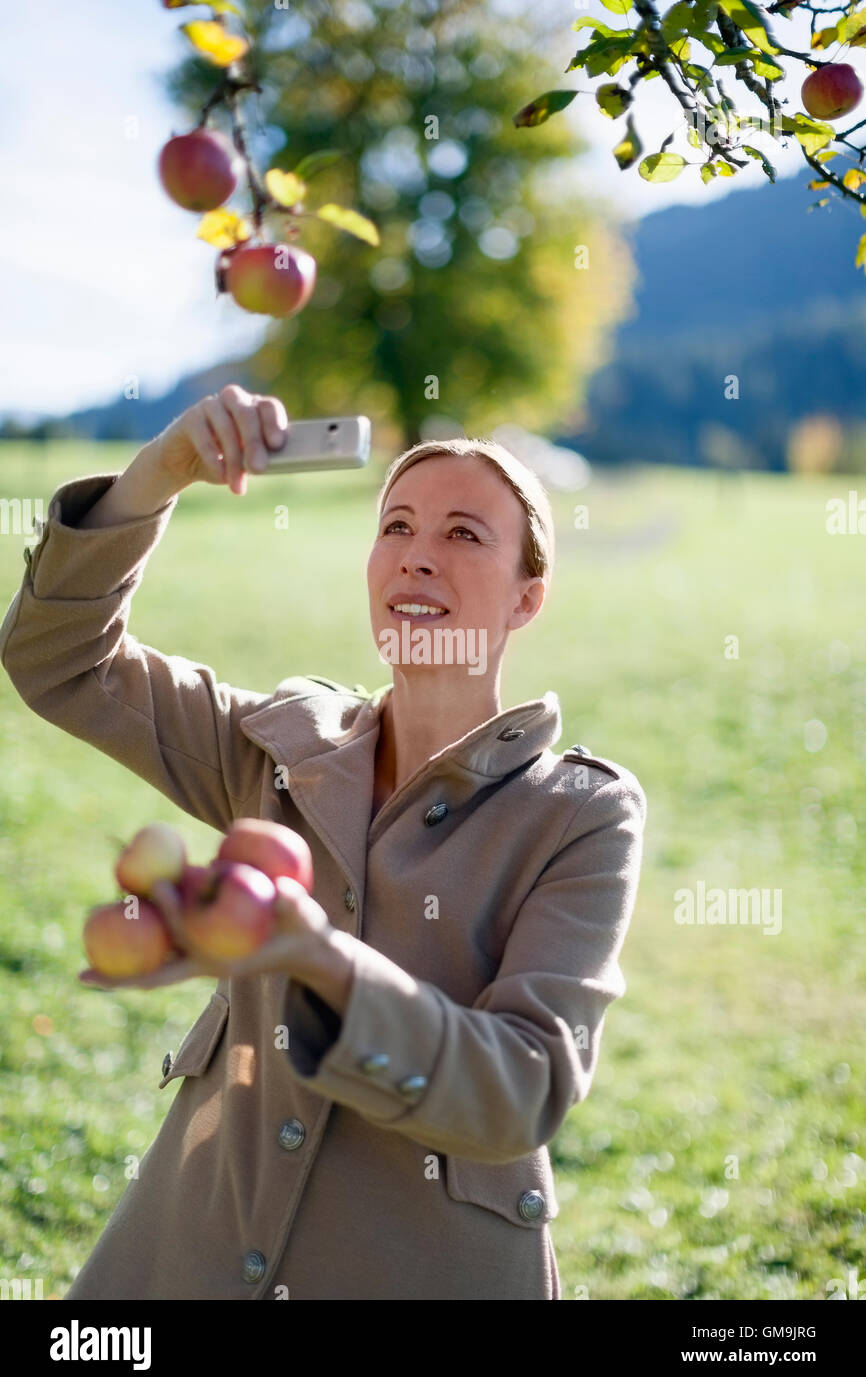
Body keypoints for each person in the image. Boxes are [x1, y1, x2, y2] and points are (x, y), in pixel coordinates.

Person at [0, 384, 647, 1300]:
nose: (417, 558)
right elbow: (59, 659)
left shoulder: (579, 814)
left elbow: (522, 1088)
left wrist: (317, 958)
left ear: (527, 598)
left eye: (464, 535)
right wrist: (161, 474)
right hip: (190, 1261)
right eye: (396, 528)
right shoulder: (280, 749)